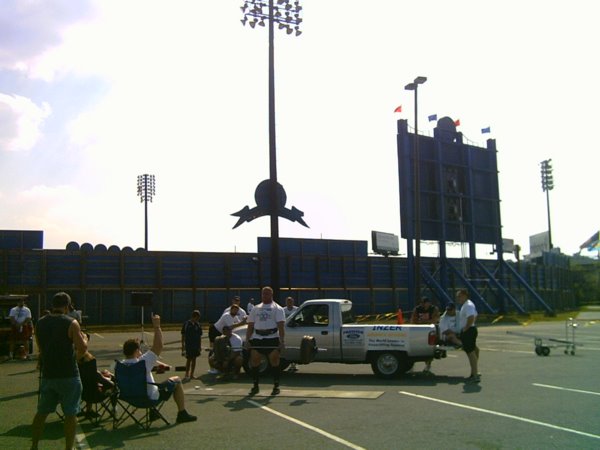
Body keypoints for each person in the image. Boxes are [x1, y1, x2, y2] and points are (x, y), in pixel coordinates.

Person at [31, 292, 88, 450]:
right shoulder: (71, 322)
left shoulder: (40, 323)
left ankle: (34, 445)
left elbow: (41, 348)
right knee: (70, 414)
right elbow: (82, 348)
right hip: (68, 373)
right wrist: (84, 339)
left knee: (41, 413)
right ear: (67, 306)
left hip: (49, 374)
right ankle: (68, 448)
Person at [120, 314, 197, 423]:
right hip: (148, 398)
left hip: (129, 397)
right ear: (136, 351)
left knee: (146, 380)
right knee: (177, 380)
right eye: (139, 350)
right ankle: (182, 413)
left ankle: (153, 412)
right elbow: (158, 346)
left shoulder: (120, 365)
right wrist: (157, 326)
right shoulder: (142, 363)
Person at [246, 286, 286, 396]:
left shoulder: (277, 308)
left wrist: (282, 341)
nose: (265, 296)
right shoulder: (255, 308)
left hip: (272, 338)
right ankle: (255, 385)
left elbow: (281, 326)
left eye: (267, 294)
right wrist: (247, 340)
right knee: (255, 361)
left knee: (274, 361)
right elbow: (250, 325)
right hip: (257, 338)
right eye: (263, 294)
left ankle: (276, 385)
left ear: (271, 295)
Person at [208, 304, 245, 374]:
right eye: (234, 310)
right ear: (231, 310)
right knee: (213, 349)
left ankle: (222, 368)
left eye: (236, 310)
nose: (235, 311)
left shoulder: (235, 317)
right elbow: (231, 326)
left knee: (222, 349)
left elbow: (239, 324)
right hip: (215, 331)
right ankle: (213, 368)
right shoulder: (227, 315)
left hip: (223, 333)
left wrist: (244, 321)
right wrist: (242, 323)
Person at [455, 288, 480, 383]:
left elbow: (471, 317)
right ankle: (474, 372)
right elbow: (475, 315)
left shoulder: (468, 305)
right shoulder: (467, 305)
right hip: (470, 329)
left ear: (465, 296)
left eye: (460, 296)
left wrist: (466, 328)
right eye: (457, 296)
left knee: (470, 353)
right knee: (475, 350)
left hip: (469, 331)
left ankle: (475, 375)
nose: (458, 298)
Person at [410, 296, 440, 373]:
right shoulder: (417, 309)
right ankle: (411, 366)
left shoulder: (433, 309)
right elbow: (413, 320)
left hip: (430, 330)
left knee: (428, 349)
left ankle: (428, 365)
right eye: (422, 303)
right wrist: (422, 322)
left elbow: (435, 320)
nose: (424, 305)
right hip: (419, 330)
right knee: (414, 348)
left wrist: (423, 321)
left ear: (429, 303)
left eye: (426, 303)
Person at [181, 310, 203, 381]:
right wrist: (183, 345)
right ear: (194, 316)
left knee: (194, 359)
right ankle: (186, 374)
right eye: (197, 318)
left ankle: (192, 374)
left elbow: (200, 336)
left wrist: (200, 346)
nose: (198, 319)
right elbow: (183, 335)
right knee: (189, 359)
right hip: (188, 344)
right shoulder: (186, 324)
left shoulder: (198, 325)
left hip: (196, 345)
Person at [282, 296, 299, 372]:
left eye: (290, 301)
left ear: (293, 302)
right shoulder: (283, 310)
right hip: (285, 330)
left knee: (294, 346)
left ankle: (294, 364)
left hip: (295, 331)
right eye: (288, 301)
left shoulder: (297, 309)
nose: (289, 303)